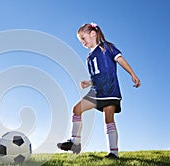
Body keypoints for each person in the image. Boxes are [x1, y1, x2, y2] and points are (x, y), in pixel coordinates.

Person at [57, 23, 141, 159]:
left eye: (83, 38)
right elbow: (98, 74)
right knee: (77, 109)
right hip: (96, 91)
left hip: (110, 90)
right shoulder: (89, 57)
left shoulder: (106, 47)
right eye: (81, 41)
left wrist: (132, 74)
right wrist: (89, 82)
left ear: (93, 34)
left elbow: (120, 59)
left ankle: (113, 153)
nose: (83, 43)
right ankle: (75, 142)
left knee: (108, 119)